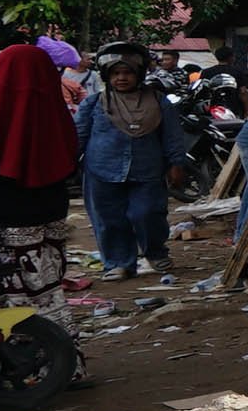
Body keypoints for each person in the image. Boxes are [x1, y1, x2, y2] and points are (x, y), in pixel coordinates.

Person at [77, 50, 181, 278]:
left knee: (147, 214)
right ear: (107, 76)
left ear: (139, 75)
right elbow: (79, 136)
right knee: (109, 220)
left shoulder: (158, 102)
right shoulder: (94, 103)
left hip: (148, 170)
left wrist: (176, 163)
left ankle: (155, 253)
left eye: (127, 73)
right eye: (115, 73)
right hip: (101, 171)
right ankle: (119, 263)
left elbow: (172, 135)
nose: (121, 78)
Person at [0, 37, 79, 231]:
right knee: (49, 256)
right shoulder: (58, 112)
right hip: (53, 205)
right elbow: (71, 155)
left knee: (15, 259)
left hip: (6, 204)